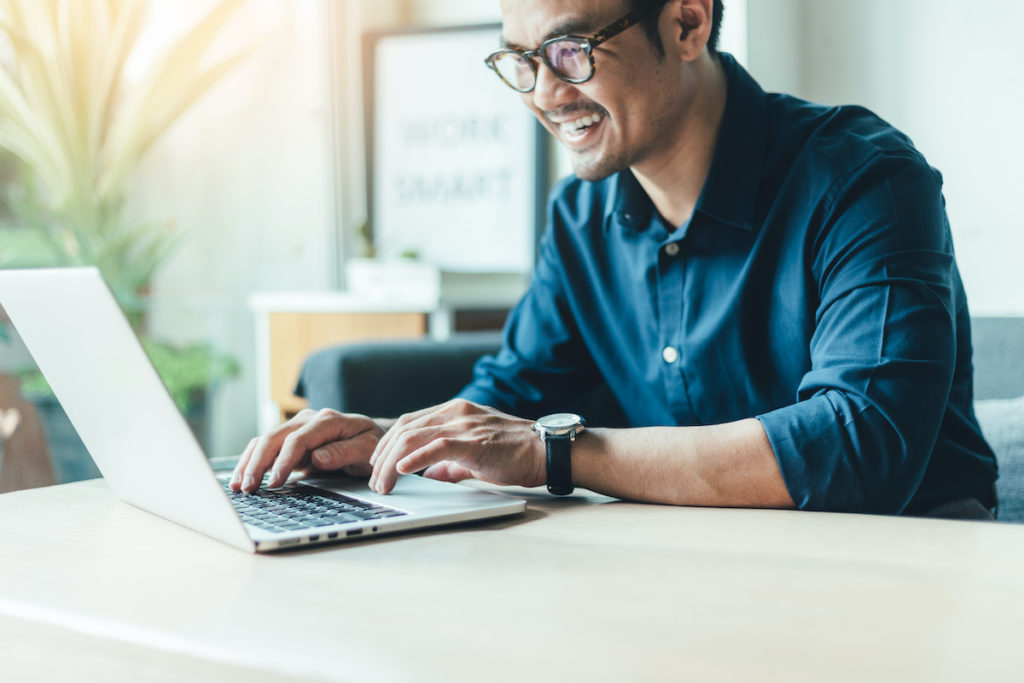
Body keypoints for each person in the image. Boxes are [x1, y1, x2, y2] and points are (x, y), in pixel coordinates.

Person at [232, 0, 998, 518]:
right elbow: (513, 395)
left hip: (898, 570)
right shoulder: (580, 217)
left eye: (569, 51)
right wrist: (391, 437)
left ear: (688, 23)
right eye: (520, 61)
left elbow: (861, 446)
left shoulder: (864, 179)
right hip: (682, 571)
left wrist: (556, 454)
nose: (545, 93)